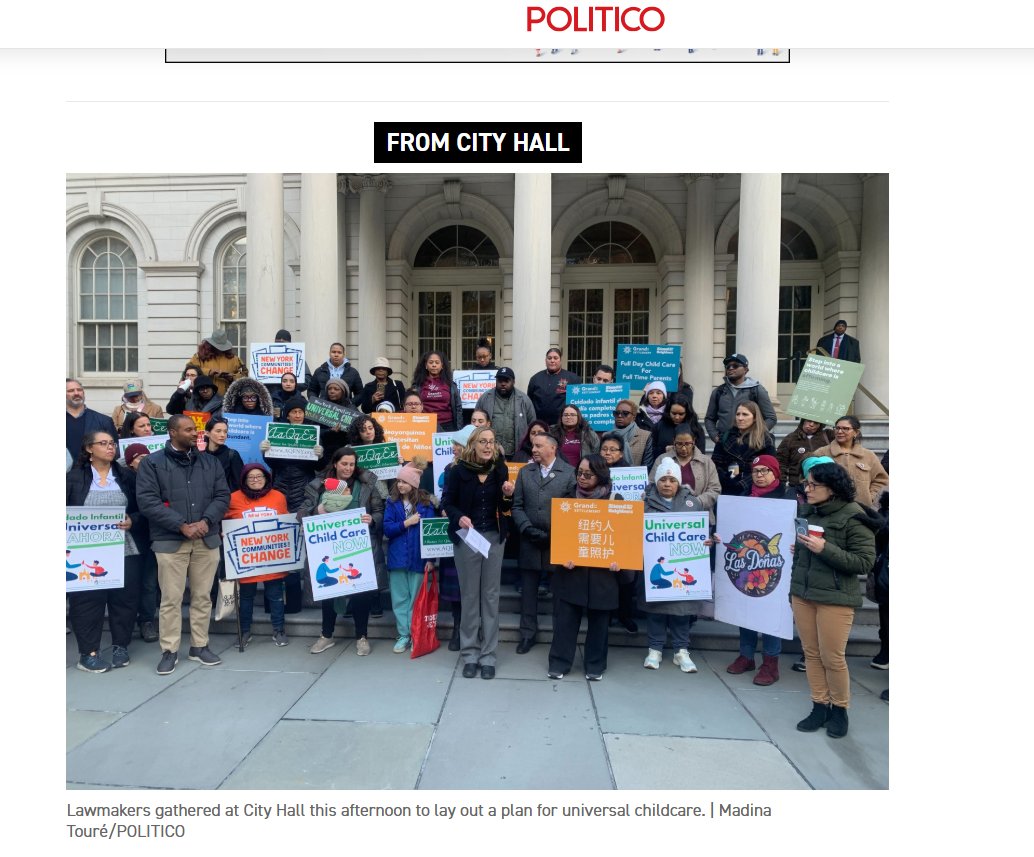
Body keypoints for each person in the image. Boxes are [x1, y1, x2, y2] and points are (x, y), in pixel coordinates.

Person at [136, 414, 231, 675]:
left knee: (202, 596)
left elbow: (222, 496)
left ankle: (199, 646)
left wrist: (206, 521)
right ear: (172, 432)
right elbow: (147, 501)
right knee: (171, 599)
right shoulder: (152, 463)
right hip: (170, 541)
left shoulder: (210, 462)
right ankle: (169, 650)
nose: (195, 434)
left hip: (206, 538)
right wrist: (181, 525)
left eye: (195, 429)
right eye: (188, 430)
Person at [791, 462, 880, 739]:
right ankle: (819, 705)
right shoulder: (808, 512)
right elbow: (801, 557)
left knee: (833, 657)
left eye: (813, 485)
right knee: (812, 654)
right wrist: (795, 583)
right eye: (806, 484)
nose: (807, 489)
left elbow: (864, 562)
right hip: (804, 595)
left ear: (832, 488)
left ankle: (840, 710)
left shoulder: (854, 516)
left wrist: (824, 548)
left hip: (836, 598)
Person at [66, 431, 144, 672]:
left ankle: (121, 646)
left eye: (112, 444)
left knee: (124, 598)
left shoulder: (126, 476)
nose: (110, 447)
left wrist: (133, 520)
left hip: (124, 547)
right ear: (89, 449)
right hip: (85, 550)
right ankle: (88, 653)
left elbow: (145, 508)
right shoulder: (73, 478)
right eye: (103, 443)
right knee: (87, 601)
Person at [442, 427, 515, 679]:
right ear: (472, 444)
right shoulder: (457, 471)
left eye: (491, 442)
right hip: (468, 538)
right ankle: (470, 654)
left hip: (494, 537)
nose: (488, 446)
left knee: (491, 596)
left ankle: (488, 656)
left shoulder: (500, 469)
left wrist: (507, 495)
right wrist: (458, 517)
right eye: (483, 441)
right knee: (470, 596)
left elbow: (505, 507)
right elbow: (447, 502)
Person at [719, 455, 797, 686]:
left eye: (765, 471)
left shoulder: (788, 497)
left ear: (776, 473)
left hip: (773, 566)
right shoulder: (744, 497)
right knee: (746, 607)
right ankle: (746, 656)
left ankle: (771, 663)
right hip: (748, 563)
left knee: (772, 611)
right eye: (756, 471)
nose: (760, 475)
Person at [547, 454, 620, 681]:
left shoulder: (615, 500)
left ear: (601, 475)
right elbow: (557, 533)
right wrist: (561, 555)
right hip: (572, 570)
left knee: (599, 623)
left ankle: (594, 665)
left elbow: (624, 537)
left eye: (588, 474)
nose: (582, 478)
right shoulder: (568, 498)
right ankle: (559, 662)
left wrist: (620, 560)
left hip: (603, 573)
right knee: (565, 620)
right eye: (579, 473)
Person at [305, 447, 384, 656]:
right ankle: (326, 635)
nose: (348, 468)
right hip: (328, 548)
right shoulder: (319, 485)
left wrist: (372, 519)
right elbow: (302, 512)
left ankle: (362, 637)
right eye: (344, 464)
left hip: (359, 549)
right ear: (335, 464)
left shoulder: (366, 485)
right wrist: (317, 511)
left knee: (361, 593)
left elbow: (379, 510)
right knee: (329, 592)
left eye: (351, 464)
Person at [511, 432, 576, 654]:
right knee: (528, 592)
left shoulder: (569, 473)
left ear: (552, 448)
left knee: (559, 593)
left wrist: (553, 533)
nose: (534, 450)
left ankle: (560, 636)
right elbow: (517, 505)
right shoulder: (525, 472)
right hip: (529, 540)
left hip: (555, 542)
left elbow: (571, 509)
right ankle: (527, 634)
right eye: (533, 446)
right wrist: (526, 528)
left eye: (539, 446)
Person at [640, 458, 706, 673]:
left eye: (672, 480)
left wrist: (707, 541)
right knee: (656, 610)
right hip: (655, 565)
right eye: (663, 479)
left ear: (678, 482)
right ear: (656, 481)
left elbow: (700, 531)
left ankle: (681, 650)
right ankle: (655, 649)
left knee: (681, 610)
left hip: (683, 565)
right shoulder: (644, 504)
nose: (667, 484)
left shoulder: (692, 503)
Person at [224, 464, 291, 648]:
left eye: (259, 476)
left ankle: (279, 630)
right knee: (246, 597)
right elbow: (224, 521)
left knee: (275, 595)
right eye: (251, 477)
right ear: (244, 480)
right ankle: (245, 631)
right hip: (246, 559)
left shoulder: (278, 496)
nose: (255, 480)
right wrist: (224, 533)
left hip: (273, 558)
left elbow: (286, 520)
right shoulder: (233, 498)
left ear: (266, 478)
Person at [383, 464, 438, 653]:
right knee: (400, 600)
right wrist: (407, 522)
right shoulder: (391, 503)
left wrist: (431, 559)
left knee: (416, 600)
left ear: (413, 484)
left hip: (418, 559)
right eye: (398, 481)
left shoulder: (426, 505)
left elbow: (431, 534)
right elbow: (387, 529)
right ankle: (403, 635)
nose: (400, 485)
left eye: (404, 482)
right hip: (397, 558)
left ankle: (416, 634)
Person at [123, 443, 159, 643]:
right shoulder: (124, 481)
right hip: (130, 538)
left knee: (149, 584)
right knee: (131, 584)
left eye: (148, 457)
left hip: (153, 538)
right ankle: (126, 623)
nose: (146, 461)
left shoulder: (158, 478)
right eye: (140, 458)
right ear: (130, 462)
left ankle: (146, 621)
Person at [647, 424, 721, 520]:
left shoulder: (706, 462)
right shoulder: (662, 459)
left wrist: (695, 503)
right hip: (666, 516)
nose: (683, 448)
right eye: (679, 444)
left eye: (687, 444)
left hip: (700, 516)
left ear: (694, 441)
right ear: (673, 441)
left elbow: (715, 489)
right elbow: (651, 486)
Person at [814, 415, 888, 509]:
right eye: (837, 428)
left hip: (861, 509)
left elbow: (881, 479)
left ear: (856, 432)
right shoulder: (822, 453)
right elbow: (810, 478)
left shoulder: (868, 456)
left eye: (845, 428)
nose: (840, 431)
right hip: (829, 509)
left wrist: (870, 496)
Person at [704, 353, 778, 443]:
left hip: (750, 444)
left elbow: (771, 418)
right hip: (724, 443)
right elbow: (709, 419)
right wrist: (715, 436)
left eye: (735, 366)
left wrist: (755, 435)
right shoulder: (718, 391)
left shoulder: (756, 390)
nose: (731, 368)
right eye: (728, 366)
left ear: (746, 370)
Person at [711, 402, 776, 496]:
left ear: (754, 418)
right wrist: (726, 479)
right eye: (738, 414)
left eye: (745, 414)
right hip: (726, 488)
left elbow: (769, 469)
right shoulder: (725, 437)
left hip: (754, 490)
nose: (740, 418)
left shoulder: (765, 440)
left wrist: (743, 484)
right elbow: (715, 464)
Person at [475, 367, 537, 460]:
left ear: (513, 382)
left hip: (517, 452)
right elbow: (476, 424)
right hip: (490, 451)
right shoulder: (485, 398)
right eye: (500, 381)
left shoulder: (524, 400)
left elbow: (533, 425)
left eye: (506, 381)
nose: (503, 384)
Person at [644, 392, 705, 470]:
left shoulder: (696, 428)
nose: (677, 417)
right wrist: (664, 450)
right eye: (674, 413)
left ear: (687, 413)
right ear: (668, 411)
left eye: (681, 414)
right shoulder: (659, 427)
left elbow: (701, 454)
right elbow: (651, 451)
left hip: (689, 469)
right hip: (664, 469)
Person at [527, 347, 580, 427]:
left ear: (560, 360)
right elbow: (530, 401)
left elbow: (577, 403)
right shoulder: (535, 379)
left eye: (555, 358)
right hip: (540, 425)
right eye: (549, 358)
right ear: (545, 361)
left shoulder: (572, 378)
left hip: (562, 425)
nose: (552, 361)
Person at [66, 378, 118, 458]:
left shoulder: (104, 421)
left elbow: (115, 450)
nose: (76, 393)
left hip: (92, 465)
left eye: (79, 390)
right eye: (71, 391)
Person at [776, 419, 835, 487]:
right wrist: (781, 483)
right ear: (803, 421)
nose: (811, 424)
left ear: (820, 425)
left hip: (824, 483)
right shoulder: (790, 439)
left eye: (816, 422)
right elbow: (781, 462)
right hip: (797, 484)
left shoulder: (828, 436)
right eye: (809, 421)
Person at [413, 350, 462, 431]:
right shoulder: (418, 385)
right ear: (426, 365)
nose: (434, 365)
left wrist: (459, 429)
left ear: (442, 365)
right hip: (425, 424)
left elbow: (458, 407)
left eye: (437, 362)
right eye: (431, 362)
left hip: (448, 425)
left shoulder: (450, 385)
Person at [189, 330, 247, 397]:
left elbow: (244, 375)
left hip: (227, 398)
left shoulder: (234, 359)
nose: (219, 349)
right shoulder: (199, 357)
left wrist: (232, 377)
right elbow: (190, 371)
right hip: (203, 398)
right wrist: (209, 372)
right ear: (209, 345)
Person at [204, 417, 244, 490]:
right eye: (218, 431)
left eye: (225, 432)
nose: (223, 435)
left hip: (225, 496)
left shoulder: (232, 455)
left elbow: (238, 484)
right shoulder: (201, 456)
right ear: (207, 433)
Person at [608, 399, 650, 466]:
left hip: (635, 472)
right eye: (617, 413)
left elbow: (647, 465)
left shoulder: (646, 436)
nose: (620, 416)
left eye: (625, 413)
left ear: (634, 417)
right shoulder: (607, 436)